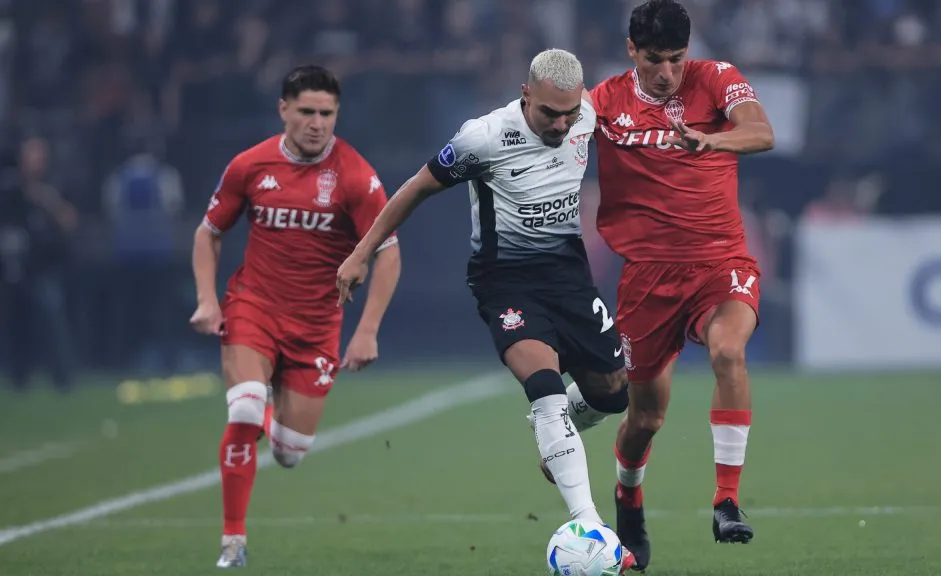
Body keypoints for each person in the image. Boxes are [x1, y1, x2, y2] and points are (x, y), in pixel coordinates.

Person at [335, 48, 636, 574]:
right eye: (550, 114)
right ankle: (589, 525)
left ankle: (555, 430)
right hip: (506, 283)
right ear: (525, 95)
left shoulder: (588, 114)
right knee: (542, 388)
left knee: (613, 394)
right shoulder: (483, 138)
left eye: (570, 114)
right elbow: (416, 188)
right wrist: (362, 252)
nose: (562, 124)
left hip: (569, 277)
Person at [581, 0, 775, 566]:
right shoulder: (602, 103)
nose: (668, 72)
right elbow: (552, 134)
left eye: (676, 58)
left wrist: (711, 141)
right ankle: (628, 494)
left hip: (721, 262)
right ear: (631, 51)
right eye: (655, 60)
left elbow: (761, 133)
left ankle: (727, 500)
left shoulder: (716, 79)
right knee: (644, 417)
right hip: (647, 279)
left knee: (729, 351)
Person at [189, 65, 402, 569]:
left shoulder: (356, 176)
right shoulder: (250, 165)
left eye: (326, 113)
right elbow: (208, 232)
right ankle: (233, 542)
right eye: (306, 111)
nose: (317, 123)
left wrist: (366, 331)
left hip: (316, 327)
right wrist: (207, 299)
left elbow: (388, 252)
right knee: (241, 408)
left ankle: (266, 411)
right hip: (254, 307)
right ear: (283, 109)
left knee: (289, 452)